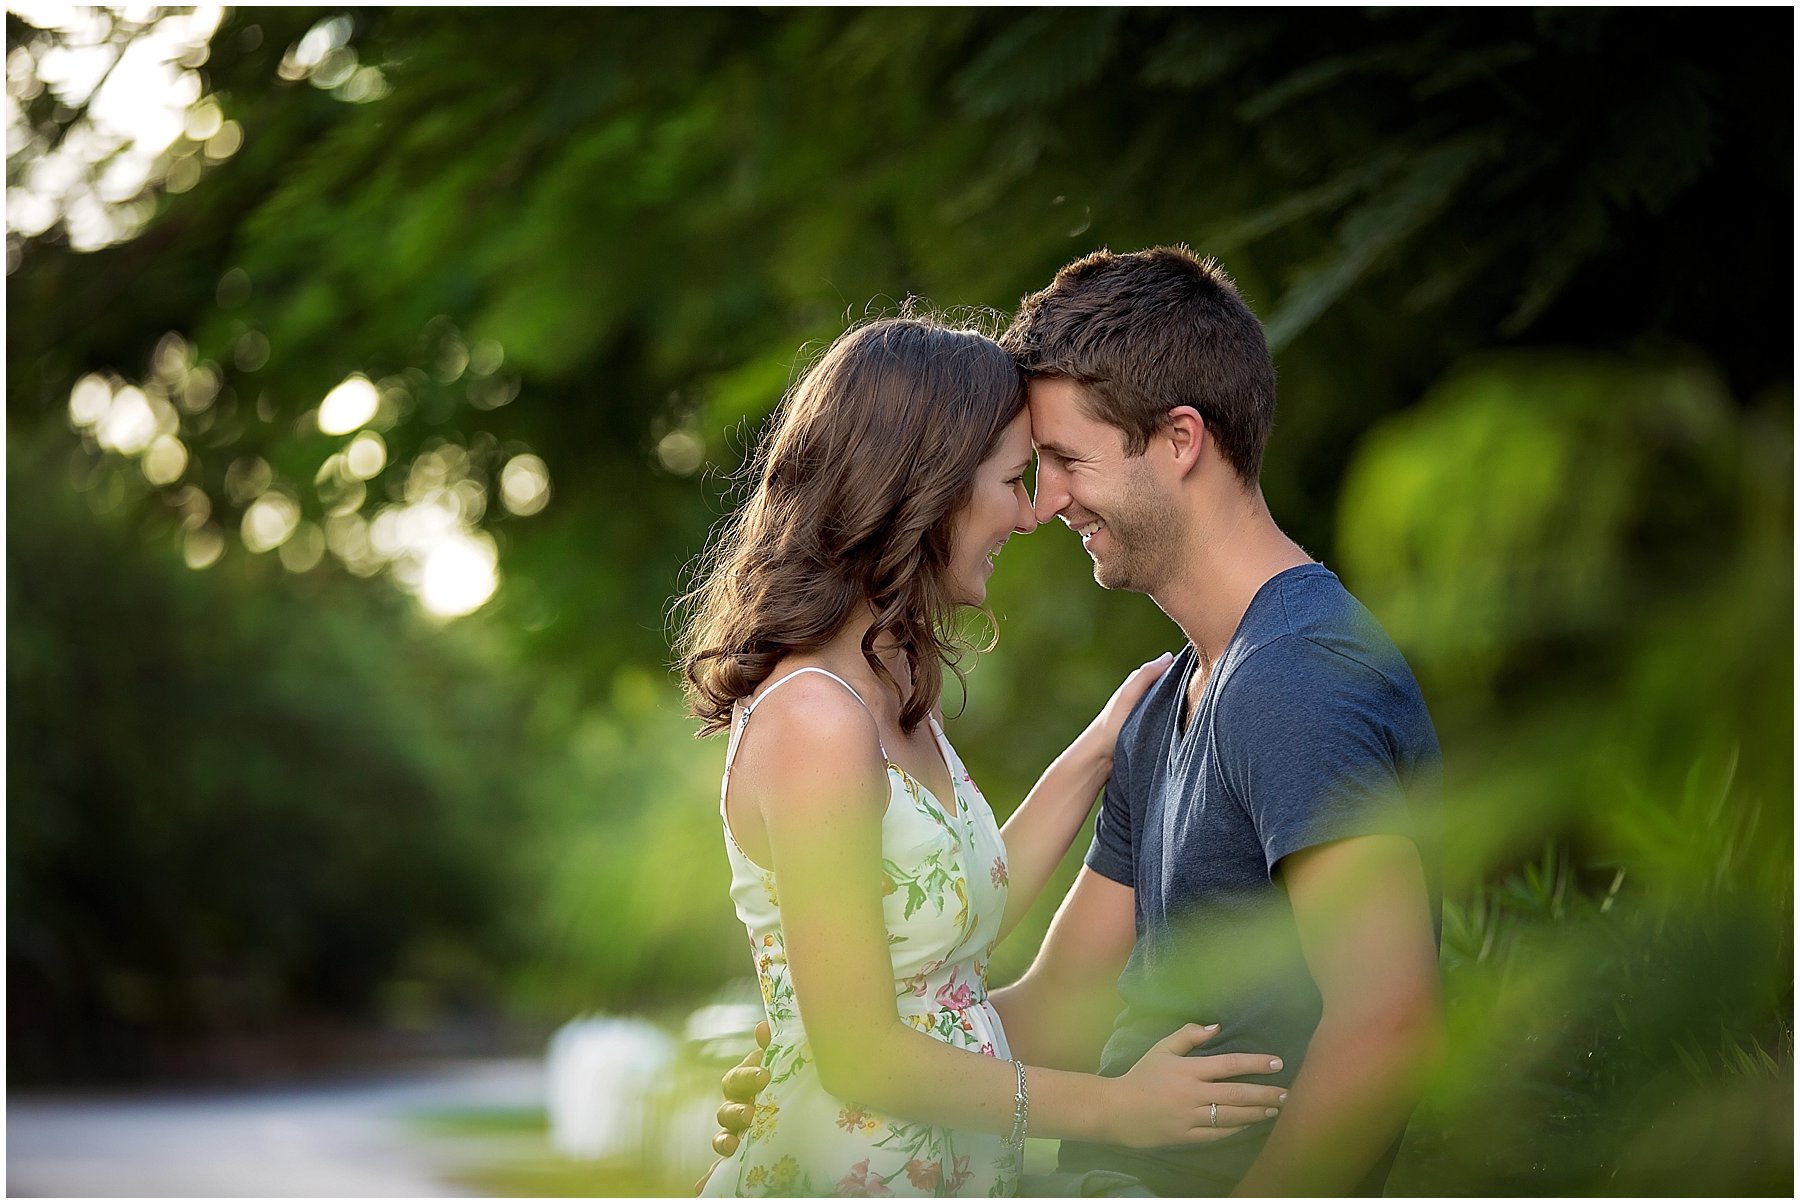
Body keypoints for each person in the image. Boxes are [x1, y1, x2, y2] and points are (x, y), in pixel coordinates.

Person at [712, 249, 1445, 1197]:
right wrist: (822, 1067)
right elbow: (1061, 1007)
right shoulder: (1163, 705)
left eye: (1063, 461)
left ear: (1179, 441)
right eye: (1031, 468)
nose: (1042, 504)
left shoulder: (1300, 678)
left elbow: (1386, 1024)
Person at [675, 315, 1288, 1198]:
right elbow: (856, 1055)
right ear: (927, 489)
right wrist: (1118, 1107)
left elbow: (959, 904)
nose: (1034, 511)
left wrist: (1106, 741)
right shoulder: (816, 718)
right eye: (1012, 480)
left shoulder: (887, 687)